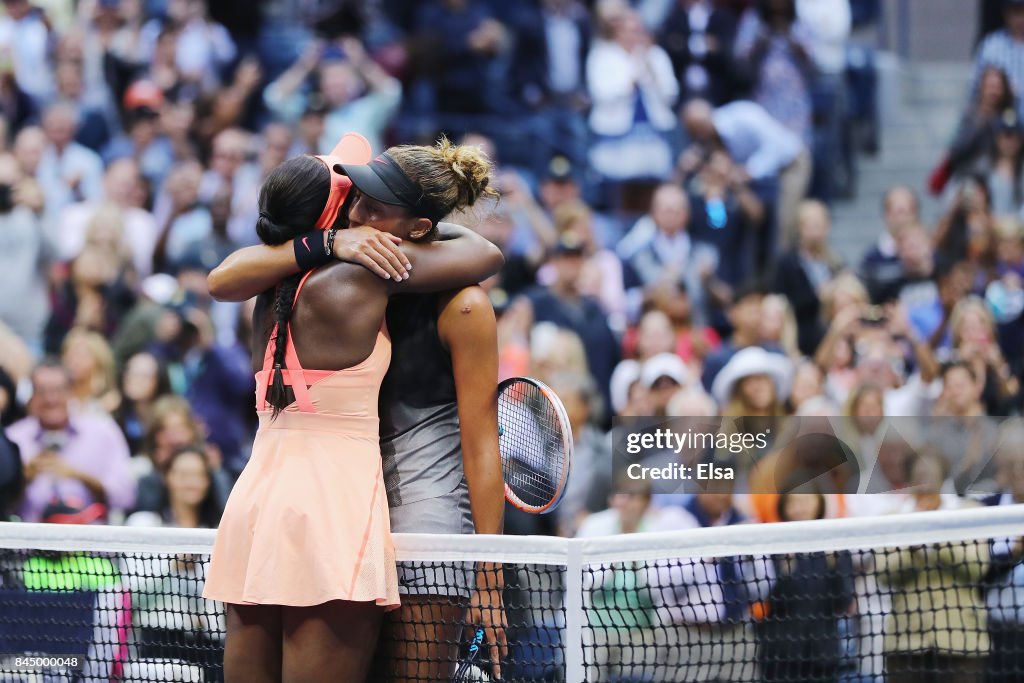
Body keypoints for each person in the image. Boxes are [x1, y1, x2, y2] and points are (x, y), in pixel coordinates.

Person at [204, 136, 508, 681]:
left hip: (377, 514)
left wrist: (489, 572)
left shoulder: (277, 282)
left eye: (375, 205)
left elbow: (481, 442)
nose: (361, 215)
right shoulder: (362, 274)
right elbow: (485, 252)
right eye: (355, 200)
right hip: (336, 512)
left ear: (417, 229)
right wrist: (336, 243)